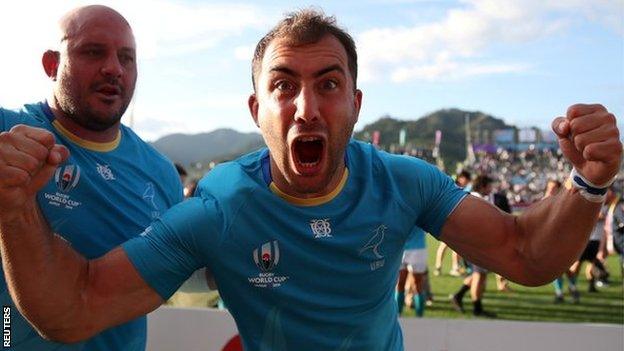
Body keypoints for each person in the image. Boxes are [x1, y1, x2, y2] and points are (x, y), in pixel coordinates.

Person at [0, 8, 621, 351]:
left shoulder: (405, 181)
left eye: (328, 83)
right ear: (255, 111)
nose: (306, 107)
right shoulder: (220, 207)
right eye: (283, 86)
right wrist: (16, 207)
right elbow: (73, 308)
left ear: (355, 103)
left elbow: (524, 253)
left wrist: (586, 183)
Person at [0, 5, 183, 350]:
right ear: (52, 65)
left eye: (126, 58)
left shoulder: (161, 174)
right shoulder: (7, 133)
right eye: (93, 51)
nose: (114, 68)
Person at [450, 175, 497, 317]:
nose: (491, 188)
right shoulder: (475, 200)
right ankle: (477, 308)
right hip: (476, 244)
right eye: (489, 186)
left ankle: (458, 296)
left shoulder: (475, 198)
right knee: (479, 275)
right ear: (483, 186)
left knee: (480, 275)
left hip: (476, 244)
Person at [434, 170, 471, 276]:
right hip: (448, 218)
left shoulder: (455, 186)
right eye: (466, 180)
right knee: (448, 244)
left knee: (450, 245)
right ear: (461, 178)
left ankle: (445, 267)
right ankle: (448, 267)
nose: (467, 182)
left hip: (451, 218)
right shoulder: (453, 186)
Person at [396, 227, 429, 317]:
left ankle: (419, 317)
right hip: (399, 247)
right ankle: (397, 315)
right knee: (399, 283)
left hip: (417, 249)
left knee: (417, 285)